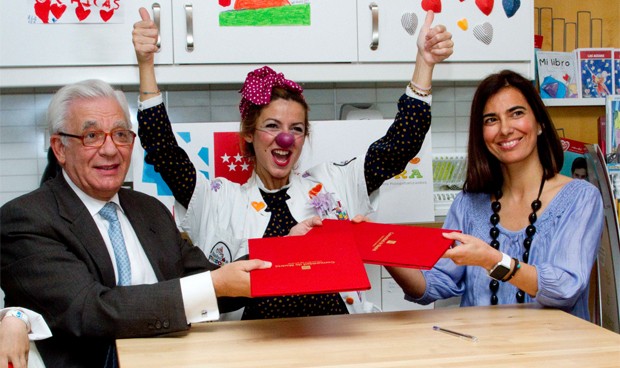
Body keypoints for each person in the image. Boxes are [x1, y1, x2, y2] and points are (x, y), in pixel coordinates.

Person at [132, 8, 453, 319]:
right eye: (272, 126)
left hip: (337, 338)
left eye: (296, 129)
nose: (284, 138)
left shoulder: (334, 181)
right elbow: (164, 151)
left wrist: (424, 64)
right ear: (248, 133)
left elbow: (401, 145)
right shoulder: (217, 199)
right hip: (248, 348)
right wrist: (146, 64)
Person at [0, 79, 273, 367]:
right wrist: (214, 284)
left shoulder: (149, 210)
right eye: (92, 135)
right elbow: (90, 311)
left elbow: (214, 281)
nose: (110, 150)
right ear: (60, 148)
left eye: (120, 134)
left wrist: (287, 251)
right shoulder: (27, 218)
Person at [386, 70, 604, 321]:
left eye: (517, 113)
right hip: (484, 353)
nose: (505, 129)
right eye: (491, 120)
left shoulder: (581, 198)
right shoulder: (468, 204)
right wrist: (381, 251)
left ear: (540, 123)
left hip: (551, 355)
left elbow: (565, 288)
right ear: (481, 134)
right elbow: (435, 283)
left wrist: (493, 260)